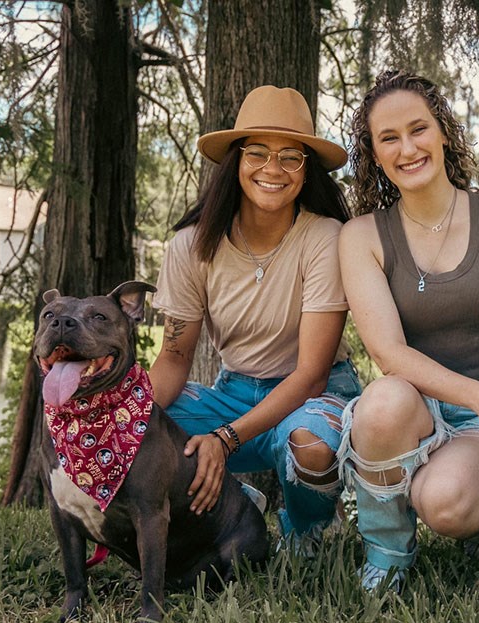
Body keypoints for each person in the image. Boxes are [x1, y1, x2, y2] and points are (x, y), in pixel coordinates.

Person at [338, 71, 479, 590]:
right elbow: (387, 351)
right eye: (389, 138)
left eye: (418, 129)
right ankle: (386, 553)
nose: (408, 148)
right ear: (374, 155)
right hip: (412, 407)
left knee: (444, 504)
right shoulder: (363, 237)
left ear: (443, 131)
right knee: (380, 403)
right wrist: (474, 393)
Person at [149, 85, 360, 554]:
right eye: (258, 152)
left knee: (310, 443)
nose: (272, 169)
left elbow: (311, 376)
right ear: (235, 161)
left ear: (306, 170)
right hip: (234, 394)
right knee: (146, 425)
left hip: (317, 395)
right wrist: (125, 418)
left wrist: (225, 440)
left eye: (290, 156)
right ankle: (237, 504)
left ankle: (306, 533)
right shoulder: (191, 245)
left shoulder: (326, 238)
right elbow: (175, 355)